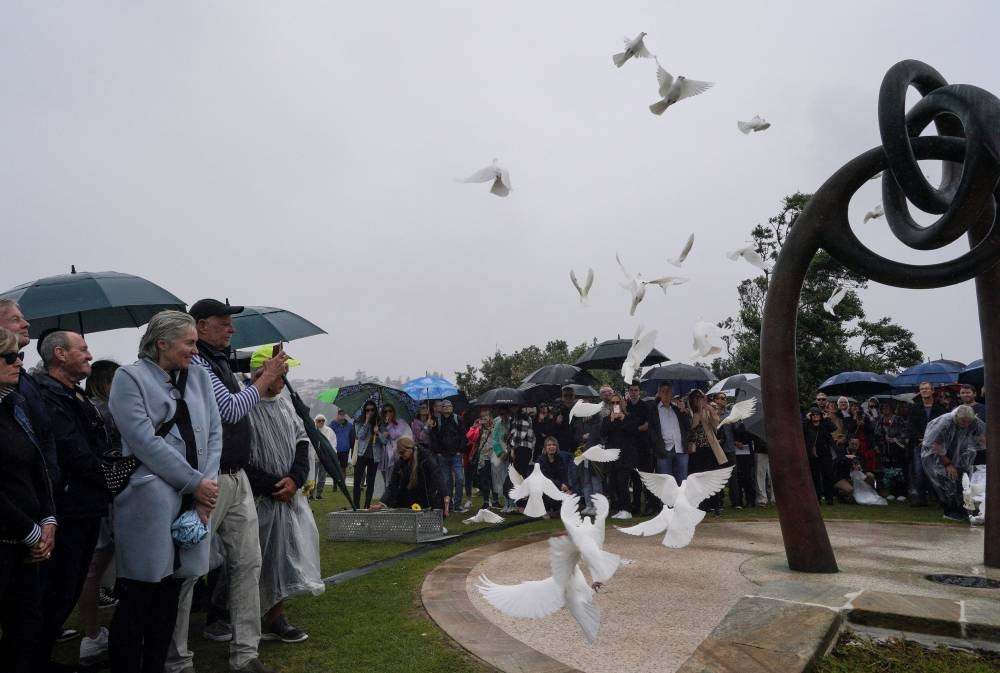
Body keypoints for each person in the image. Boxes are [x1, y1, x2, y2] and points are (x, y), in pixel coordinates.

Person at [166, 299, 287, 673]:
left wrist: (257, 381)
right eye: (223, 323)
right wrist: (264, 380)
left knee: (248, 563)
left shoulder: (216, 361)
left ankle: (245, 653)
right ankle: (176, 657)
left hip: (236, 477)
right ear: (201, 326)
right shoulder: (198, 363)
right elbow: (232, 409)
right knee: (189, 570)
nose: (231, 329)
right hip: (211, 478)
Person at [107, 311, 222, 673]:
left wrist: (208, 485)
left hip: (195, 497)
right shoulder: (129, 378)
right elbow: (143, 441)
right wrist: (195, 482)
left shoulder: (199, 377)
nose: (195, 350)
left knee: (171, 594)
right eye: (189, 343)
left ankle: (156, 665)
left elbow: (214, 434)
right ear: (162, 343)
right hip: (151, 500)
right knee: (140, 594)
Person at [34, 330, 113, 672]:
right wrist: (112, 474)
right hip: (69, 507)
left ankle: (41, 654)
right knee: (58, 587)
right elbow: (73, 451)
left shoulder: (73, 394)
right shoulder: (47, 396)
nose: (89, 355)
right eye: (82, 349)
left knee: (69, 586)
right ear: (60, 355)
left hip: (87, 503)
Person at [246, 366, 324, 644]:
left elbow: (302, 440)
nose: (283, 382)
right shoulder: (244, 406)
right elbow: (239, 456)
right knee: (253, 560)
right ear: (259, 374)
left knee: (282, 557)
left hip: (287, 498)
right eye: (279, 375)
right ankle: (237, 617)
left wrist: (295, 479)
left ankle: (275, 615)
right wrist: (271, 485)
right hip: (257, 498)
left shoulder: (285, 404)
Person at [0, 328, 56, 673]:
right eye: (9, 357)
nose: (19, 362)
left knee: (26, 627)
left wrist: (48, 520)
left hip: (25, 540)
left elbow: (38, 463)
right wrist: (31, 532)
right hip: (9, 538)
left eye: (20, 355)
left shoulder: (13, 404)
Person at [78, 360, 122, 664]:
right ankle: (92, 636)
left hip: (97, 496)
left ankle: (91, 633)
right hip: (108, 497)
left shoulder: (87, 408)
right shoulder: (105, 411)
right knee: (96, 566)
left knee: (95, 566)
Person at [0, 300, 59, 492]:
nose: (27, 324)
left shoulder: (26, 379)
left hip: (44, 494)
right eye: (15, 319)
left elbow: (45, 432)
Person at [921, 405, 986, 521]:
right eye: (963, 421)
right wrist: (948, 464)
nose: (966, 424)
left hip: (960, 453)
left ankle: (963, 510)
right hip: (937, 455)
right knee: (947, 480)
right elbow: (935, 445)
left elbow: (983, 437)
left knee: (963, 481)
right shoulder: (944, 422)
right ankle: (950, 510)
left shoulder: (975, 422)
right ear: (956, 416)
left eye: (968, 422)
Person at [370, 437, 446, 511]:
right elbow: (393, 484)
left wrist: (445, 495)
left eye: (402, 452)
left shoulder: (426, 457)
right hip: (408, 498)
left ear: (410, 449)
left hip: (425, 498)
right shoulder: (400, 463)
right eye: (399, 453)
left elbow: (437, 475)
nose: (401, 455)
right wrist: (382, 503)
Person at [686, 389, 728, 515]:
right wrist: (698, 412)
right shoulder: (688, 412)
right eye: (696, 398)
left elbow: (716, 423)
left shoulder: (708, 410)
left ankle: (716, 504)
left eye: (700, 397)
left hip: (709, 449)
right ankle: (702, 504)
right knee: (698, 478)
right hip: (695, 450)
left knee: (711, 477)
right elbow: (692, 426)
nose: (698, 400)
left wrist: (709, 409)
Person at [907, 381, 947, 506]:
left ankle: (939, 498)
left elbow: (944, 427)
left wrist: (933, 440)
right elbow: (910, 426)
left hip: (936, 445)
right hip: (919, 445)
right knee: (919, 471)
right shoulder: (915, 408)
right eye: (922, 389)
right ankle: (920, 498)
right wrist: (920, 439)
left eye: (926, 388)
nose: (924, 391)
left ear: (932, 390)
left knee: (936, 472)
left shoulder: (940, 409)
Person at [601, 392, 640, 520]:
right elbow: (603, 433)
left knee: (623, 482)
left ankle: (627, 510)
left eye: (617, 402)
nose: (615, 405)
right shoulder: (607, 418)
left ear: (622, 403)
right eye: (613, 403)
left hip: (625, 456)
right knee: (613, 483)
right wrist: (611, 420)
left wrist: (623, 419)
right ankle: (620, 508)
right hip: (612, 456)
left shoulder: (629, 417)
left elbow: (634, 432)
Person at [647, 381, 692, 484]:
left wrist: (684, 412)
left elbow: (688, 427)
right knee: (666, 484)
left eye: (668, 391)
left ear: (672, 393)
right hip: (663, 451)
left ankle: (681, 500)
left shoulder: (677, 409)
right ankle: (667, 501)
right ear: (659, 393)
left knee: (682, 482)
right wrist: (658, 445)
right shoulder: (653, 410)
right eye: (663, 391)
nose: (666, 393)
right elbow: (651, 430)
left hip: (680, 449)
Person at [430, 399, 465, 513]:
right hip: (443, 456)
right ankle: (449, 505)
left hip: (456, 455)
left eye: (449, 406)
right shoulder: (437, 421)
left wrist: (460, 450)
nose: (447, 408)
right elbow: (434, 438)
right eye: (445, 406)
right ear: (442, 408)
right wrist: (438, 452)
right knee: (447, 481)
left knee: (460, 479)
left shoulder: (457, 419)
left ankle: (458, 504)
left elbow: (463, 436)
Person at [625, 382, 653, 515]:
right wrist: (634, 429)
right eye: (631, 390)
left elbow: (647, 425)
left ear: (639, 392)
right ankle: (635, 506)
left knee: (646, 478)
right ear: (628, 392)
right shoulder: (626, 407)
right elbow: (623, 425)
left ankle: (650, 505)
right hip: (631, 448)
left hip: (644, 447)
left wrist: (634, 429)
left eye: (636, 390)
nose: (633, 393)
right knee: (634, 479)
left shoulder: (645, 407)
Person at [376, 403, 413, 495]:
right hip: (384, 453)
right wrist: (379, 433)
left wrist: (389, 426)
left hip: (396, 453)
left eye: (390, 411)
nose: (388, 413)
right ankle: (387, 497)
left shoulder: (400, 422)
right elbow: (382, 440)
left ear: (394, 412)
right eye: (385, 411)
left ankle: (393, 495)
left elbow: (395, 434)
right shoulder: (381, 424)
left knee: (393, 476)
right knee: (385, 477)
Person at [803, 407, 836, 505]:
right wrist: (806, 419)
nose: (816, 416)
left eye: (818, 414)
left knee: (828, 475)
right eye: (813, 415)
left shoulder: (824, 425)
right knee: (815, 476)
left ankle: (829, 498)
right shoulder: (807, 425)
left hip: (825, 453)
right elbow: (802, 430)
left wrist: (826, 418)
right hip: (812, 454)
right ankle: (817, 498)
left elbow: (833, 428)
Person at [352, 402, 380, 509]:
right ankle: (356, 505)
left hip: (374, 456)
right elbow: (360, 436)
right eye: (367, 410)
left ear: (375, 410)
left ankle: (367, 505)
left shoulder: (379, 422)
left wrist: (378, 433)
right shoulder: (359, 421)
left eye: (372, 410)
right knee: (357, 480)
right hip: (362, 454)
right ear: (364, 411)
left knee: (370, 482)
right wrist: (367, 422)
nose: (370, 412)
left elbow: (384, 441)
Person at [535, 436, 572, 515]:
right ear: (545, 447)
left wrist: (566, 487)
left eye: (554, 445)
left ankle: (556, 509)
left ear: (557, 447)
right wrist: (560, 485)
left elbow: (563, 475)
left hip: (557, 486)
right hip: (544, 487)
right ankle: (546, 509)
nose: (551, 447)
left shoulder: (560, 459)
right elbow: (545, 478)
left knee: (570, 495)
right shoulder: (540, 461)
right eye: (549, 445)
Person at [310, 414, 334, 500]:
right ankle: (309, 494)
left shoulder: (329, 431)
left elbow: (332, 444)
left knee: (322, 477)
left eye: (322, 420)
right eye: (319, 420)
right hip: (313, 458)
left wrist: (330, 455)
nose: (321, 422)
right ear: (315, 421)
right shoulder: (311, 429)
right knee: (311, 476)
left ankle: (319, 494)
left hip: (324, 458)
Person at [328, 408, 355, 474]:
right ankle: (335, 483)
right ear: (337, 415)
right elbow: (328, 433)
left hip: (345, 450)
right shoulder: (333, 424)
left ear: (345, 415)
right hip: (335, 450)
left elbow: (352, 438)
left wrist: (353, 449)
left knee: (343, 468)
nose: (341, 416)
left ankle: (342, 483)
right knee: (334, 468)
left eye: (343, 414)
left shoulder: (350, 426)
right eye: (340, 414)